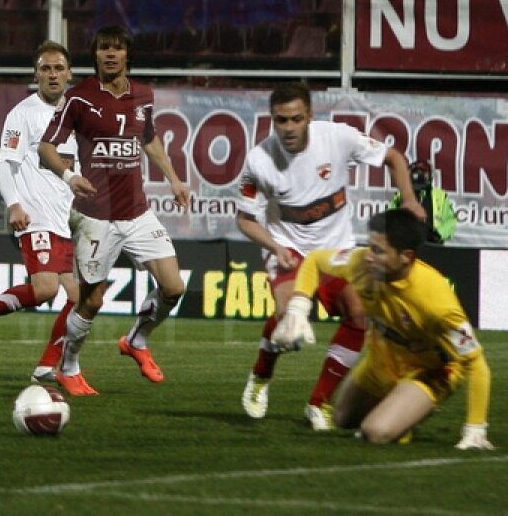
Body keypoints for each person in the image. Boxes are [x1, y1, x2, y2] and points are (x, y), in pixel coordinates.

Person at [237, 82, 426, 431]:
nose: (289, 128)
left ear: (310, 115)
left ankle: (318, 403)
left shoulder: (338, 137)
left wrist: (410, 199)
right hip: (288, 247)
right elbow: (245, 220)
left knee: (358, 315)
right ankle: (261, 377)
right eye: (281, 121)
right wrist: (275, 246)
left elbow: (393, 158)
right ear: (272, 119)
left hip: (336, 249)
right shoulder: (259, 160)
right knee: (286, 316)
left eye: (296, 119)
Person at [37, 25, 190, 396]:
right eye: (103, 48)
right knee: (92, 300)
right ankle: (69, 367)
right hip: (95, 216)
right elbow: (46, 148)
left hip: (137, 212)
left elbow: (148, 138)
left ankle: (136, 339)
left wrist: (174, 178)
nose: (110, 54)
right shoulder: (78, 98)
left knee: (173, 286)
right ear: (95, 56)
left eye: (117, 48)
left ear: (126, 55)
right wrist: (71, 175)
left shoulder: (143, 96)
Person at [272, 209, 492, 449]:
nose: (369, 256)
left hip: (429, 370)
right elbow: (314, 260)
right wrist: (299, 306)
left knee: (375, 431)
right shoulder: (360, 263)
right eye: (369, 246)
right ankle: (402, 409)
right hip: (382, 361)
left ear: (406, 256)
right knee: (342, 419)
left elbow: (476, 363)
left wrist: (475, 428)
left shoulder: (437, 302)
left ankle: (412, 410)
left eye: (379, 251)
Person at [0, 41, 80, 384]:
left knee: (79, 298)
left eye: (58, 68)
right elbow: (5, 165)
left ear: (69, 74)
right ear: (35, 74)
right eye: (45, 69)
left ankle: (46, 366)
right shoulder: (22, 113)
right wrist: (14, 204)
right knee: (48, 289)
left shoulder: (77, 113)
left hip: (63, 219)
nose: (52, 75)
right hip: (34, 215)